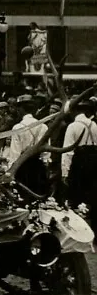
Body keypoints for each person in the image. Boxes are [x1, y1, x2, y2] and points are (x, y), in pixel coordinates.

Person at [62, 99, 97, 237]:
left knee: (76, 196)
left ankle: (77, 232)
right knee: (92, 196)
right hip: (94, 163)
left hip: (79, 164)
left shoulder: (73, 126)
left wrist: (65, 172)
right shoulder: (95, 125)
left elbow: (67, 152)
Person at [9, 94, 49, 195]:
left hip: (22, 166)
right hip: (38, 165)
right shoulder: (43, 126)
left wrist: (10, 171)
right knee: (37, 195)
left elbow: (15, 153)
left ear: (21, 109)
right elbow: (46, 153)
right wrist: (45, 165)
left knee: (22, 196)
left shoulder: (18, 127)